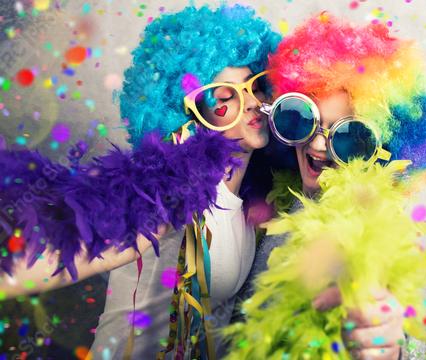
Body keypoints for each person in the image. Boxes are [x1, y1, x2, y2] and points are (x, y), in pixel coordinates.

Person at [0, 4, 280, 359]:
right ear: (187, 117)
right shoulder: (171, 188)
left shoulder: (256, 199)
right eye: (224, 98)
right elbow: (62, 251)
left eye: (256, 87)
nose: (252, 103)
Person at [234, 12, 426, 360]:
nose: (319, 146)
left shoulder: (371, 231)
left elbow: (394, 319)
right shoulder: (279, 195)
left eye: (349, 136)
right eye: (304, 119)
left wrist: (391, 346)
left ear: (381, 150)